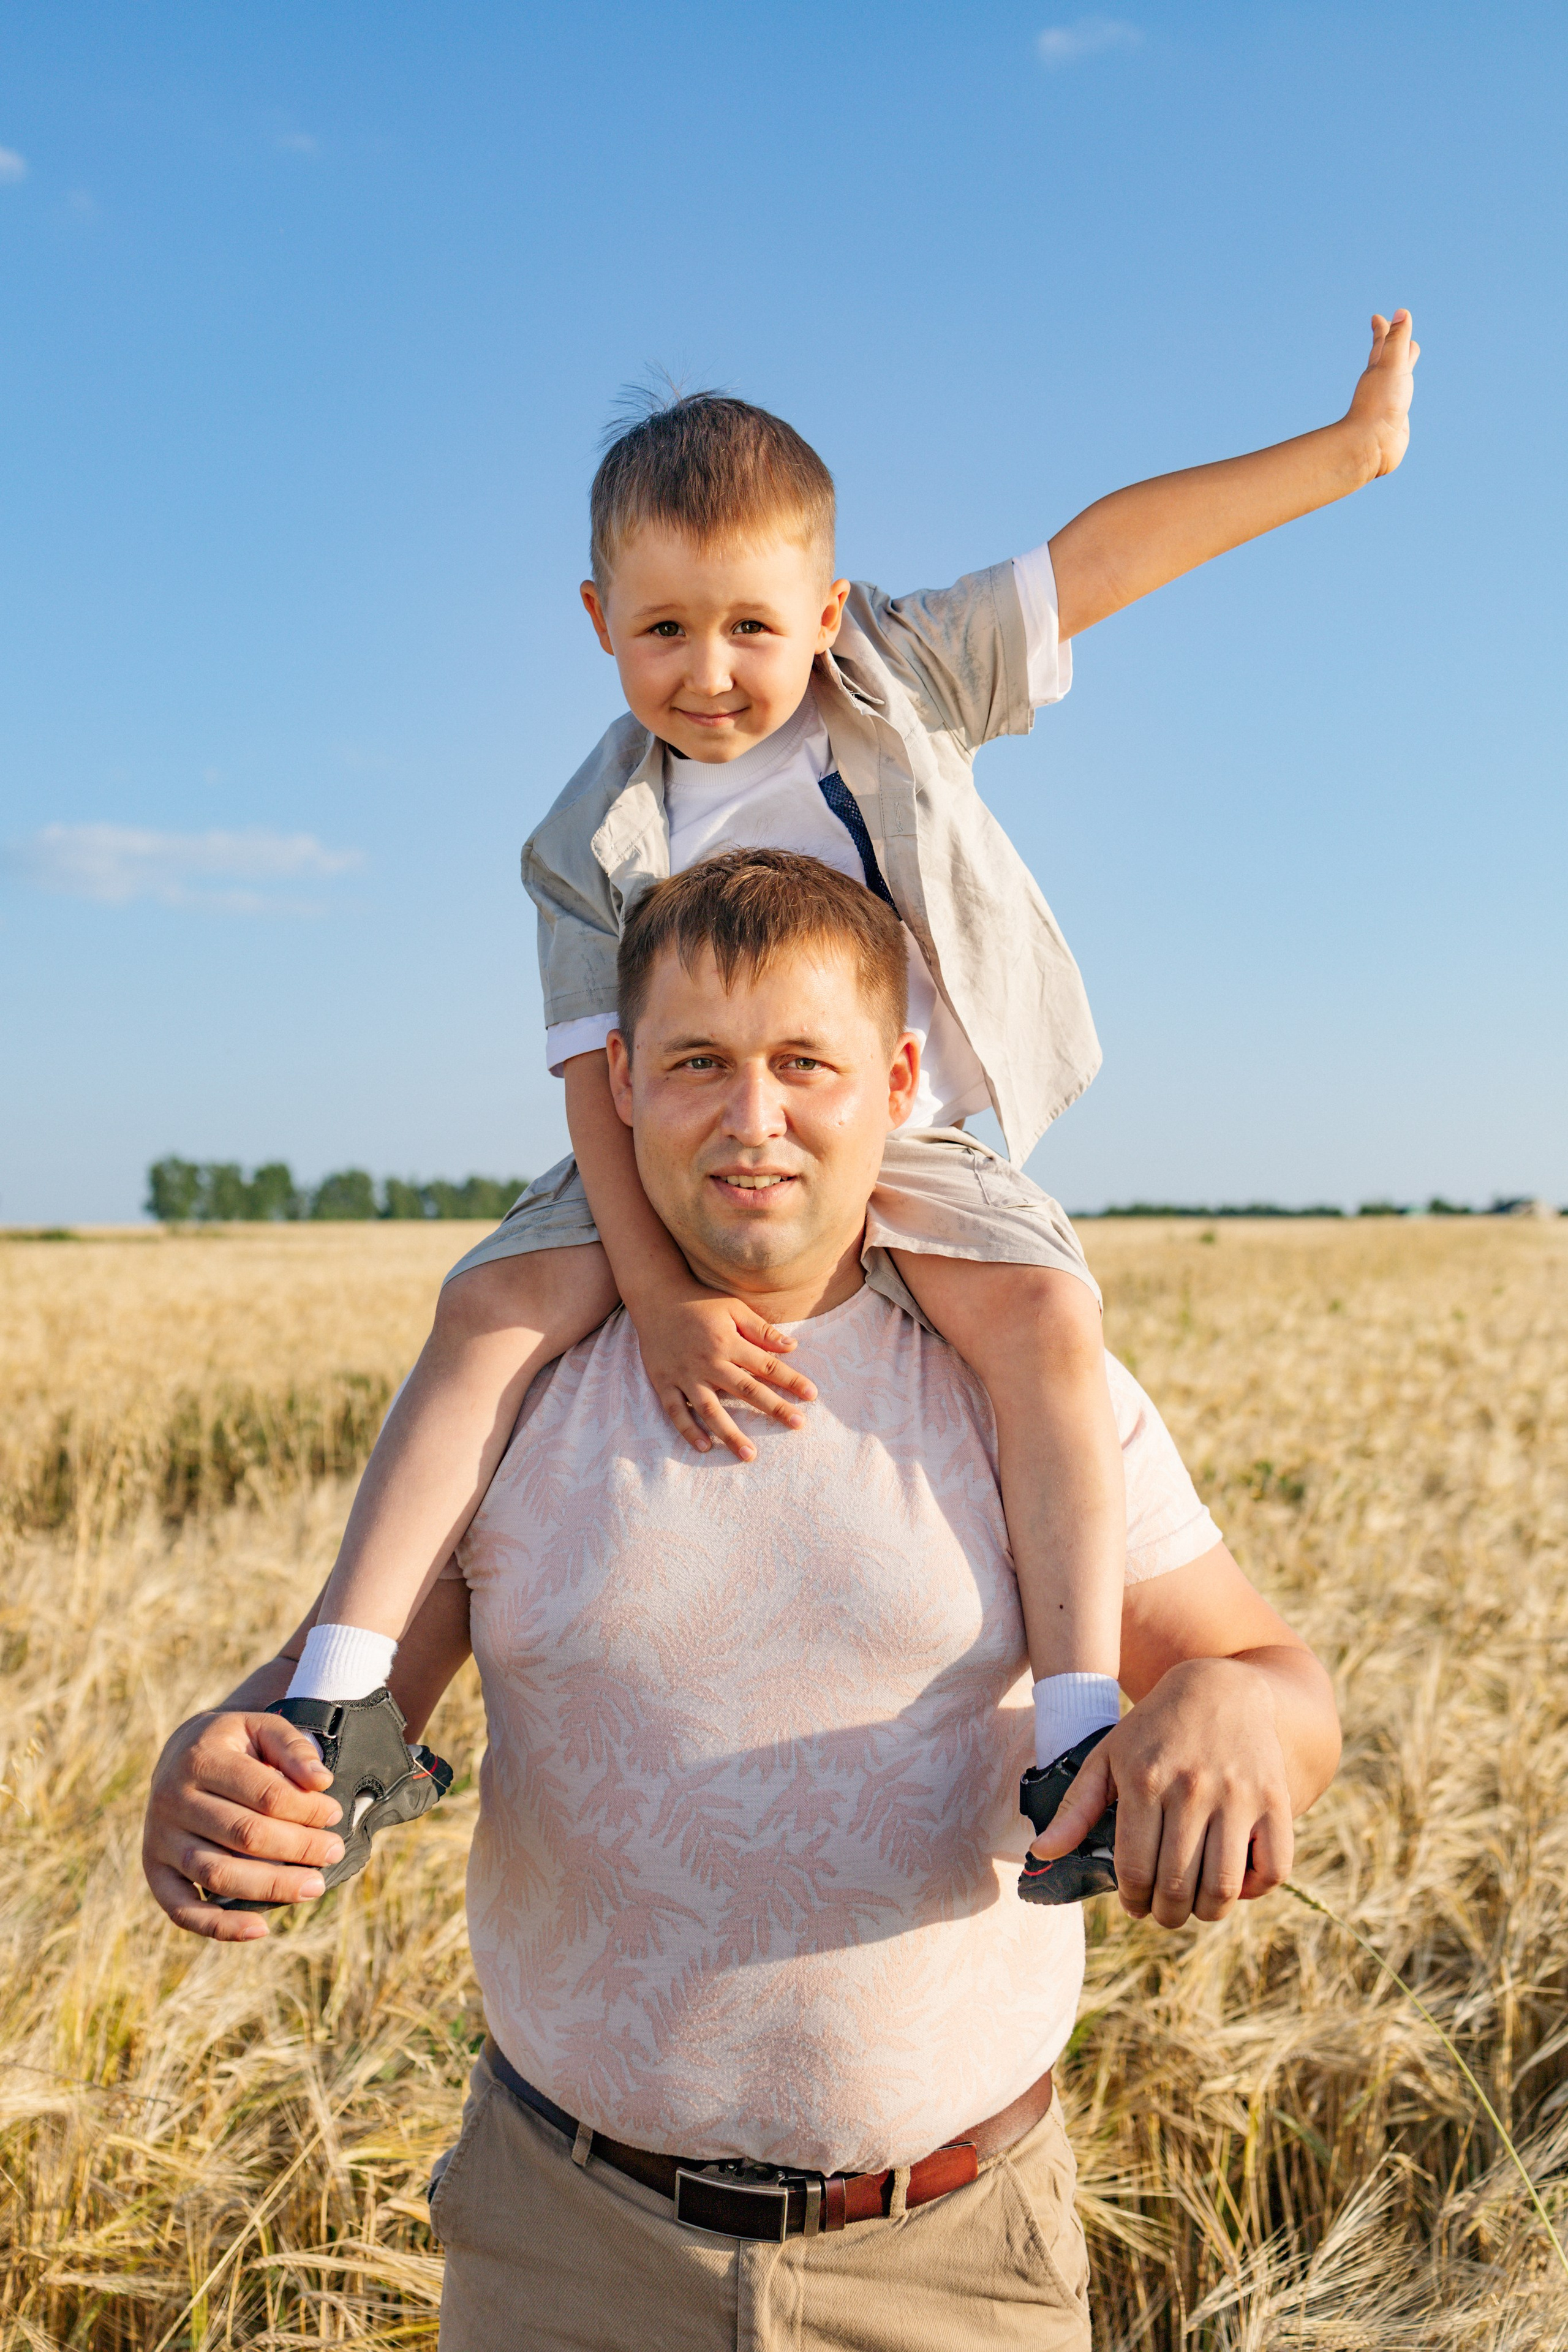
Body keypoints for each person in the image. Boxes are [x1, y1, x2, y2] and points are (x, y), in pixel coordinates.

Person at [145, 853, 1342, 2348]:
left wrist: (1235, 1708)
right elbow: (331, 1705)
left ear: (898, 1079)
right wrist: (212, 1779)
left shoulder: (1031, 1398)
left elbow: (1273, 1686)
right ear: (621, 1090)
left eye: (803, 1064)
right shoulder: (516, 1386)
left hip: (951, 2260)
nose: (751, 1117)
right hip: (557, 2248)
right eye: (699, 1063)